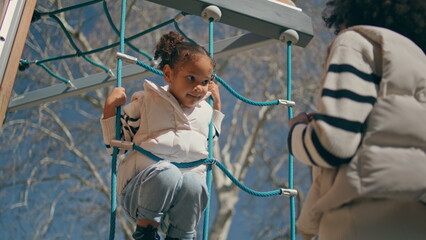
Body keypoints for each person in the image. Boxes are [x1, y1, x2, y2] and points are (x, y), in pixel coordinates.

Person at [287, 0, 426, 239]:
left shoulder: (357, 41)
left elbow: (333, 144)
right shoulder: (419, 63)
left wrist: (296, 131)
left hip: (361, 220)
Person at [101, 31, 224, 240]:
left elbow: (210, 142)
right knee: (168, 172)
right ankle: (146, 232)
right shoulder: (147, 101)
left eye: (205, 82)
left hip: (177, 206)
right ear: (168, 74)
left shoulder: (204, 111)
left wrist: (216, 108)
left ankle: (180, 235)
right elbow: (117, 144)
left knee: (195, 184)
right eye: (191, 78)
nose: (198, 88)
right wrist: (110, 107)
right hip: (140, 195)